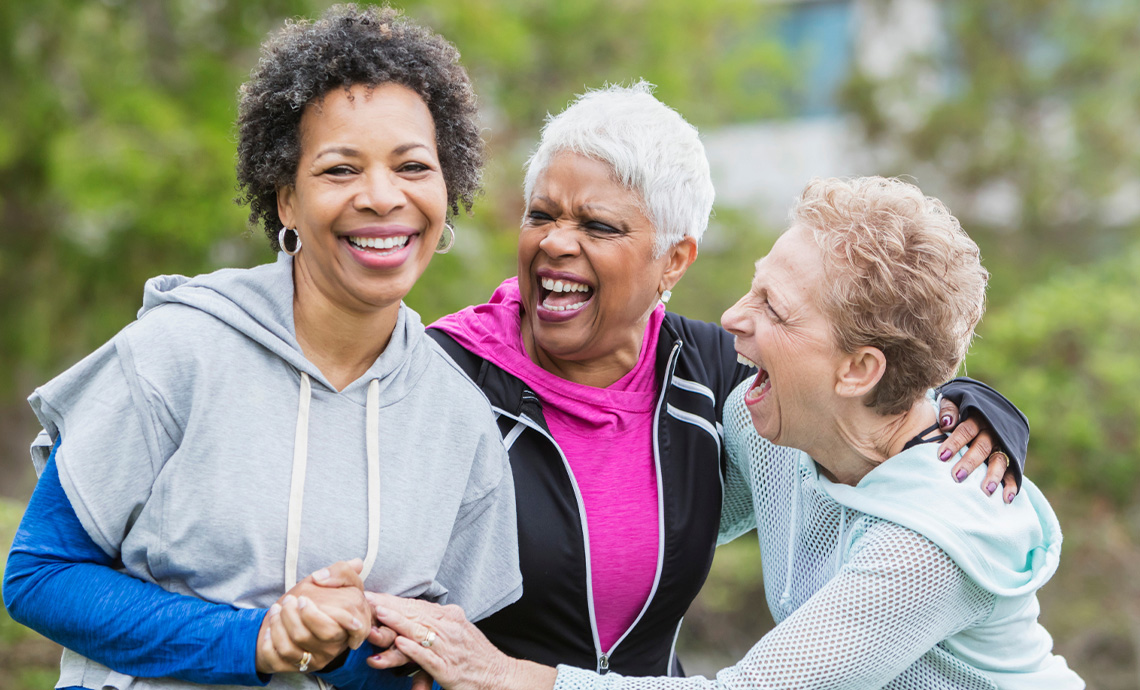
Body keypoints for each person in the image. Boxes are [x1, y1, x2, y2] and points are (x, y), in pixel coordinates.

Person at [288, 85, 1031, 687]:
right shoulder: (766, 416)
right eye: (541, 214)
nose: (736, 320)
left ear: (674, 260)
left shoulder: (912, 524)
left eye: (599, 226)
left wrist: (510, 678)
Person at [2, 5, 521, 690]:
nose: (381, 196)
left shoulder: (457, 418)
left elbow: (444, 665)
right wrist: (259, 641)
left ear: (445, 187)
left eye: (412, 166)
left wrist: (338, 649)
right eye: (340, 170)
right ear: (285, 201)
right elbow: (41, 576)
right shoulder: (175, 352)